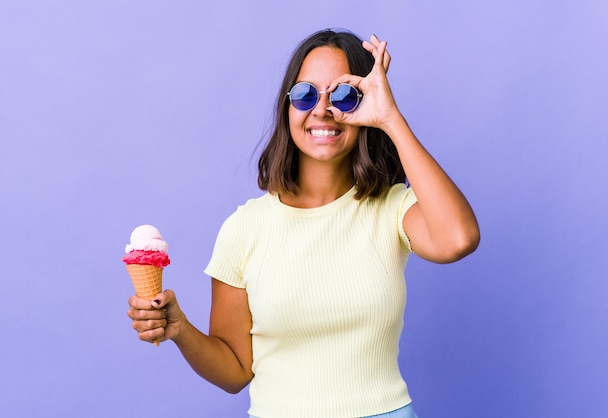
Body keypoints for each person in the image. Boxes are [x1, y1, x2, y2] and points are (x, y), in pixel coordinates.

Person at [128, 29, 480, 418]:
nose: (322, 109)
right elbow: (235, 372)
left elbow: (458, 239)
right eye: (305, 94)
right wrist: (180, 329)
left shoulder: (392, 208)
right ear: (287, 107)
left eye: (345, 95)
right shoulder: (245, 227)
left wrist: (390, 118)